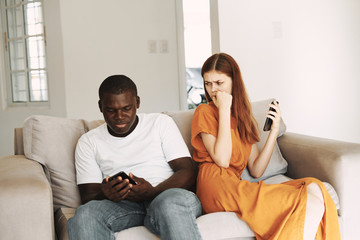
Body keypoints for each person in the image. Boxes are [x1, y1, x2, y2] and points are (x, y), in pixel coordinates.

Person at [191, 53, 340, 240]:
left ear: (234, 81)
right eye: (208, 83)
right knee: (312, 202)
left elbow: (257, 169)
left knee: (315, 189)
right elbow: (221, 159)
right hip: (214, 185)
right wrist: (223, 109)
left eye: (219, 83)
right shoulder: (204, 111)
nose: (213, 90)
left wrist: (273, 133)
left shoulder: (243, 119)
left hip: (236, 185)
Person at [67, 75, 203, 240]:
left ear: (137, 102)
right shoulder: (88, 142)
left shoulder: (160, 123)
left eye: (126, 108)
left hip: (169, 196)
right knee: (84, 214)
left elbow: (187, 170)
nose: (119, 116)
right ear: (100, 106)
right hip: (124, 206)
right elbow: (88, 197)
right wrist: (105, 193)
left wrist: (152, 192)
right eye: (111, 110)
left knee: (168, 205)